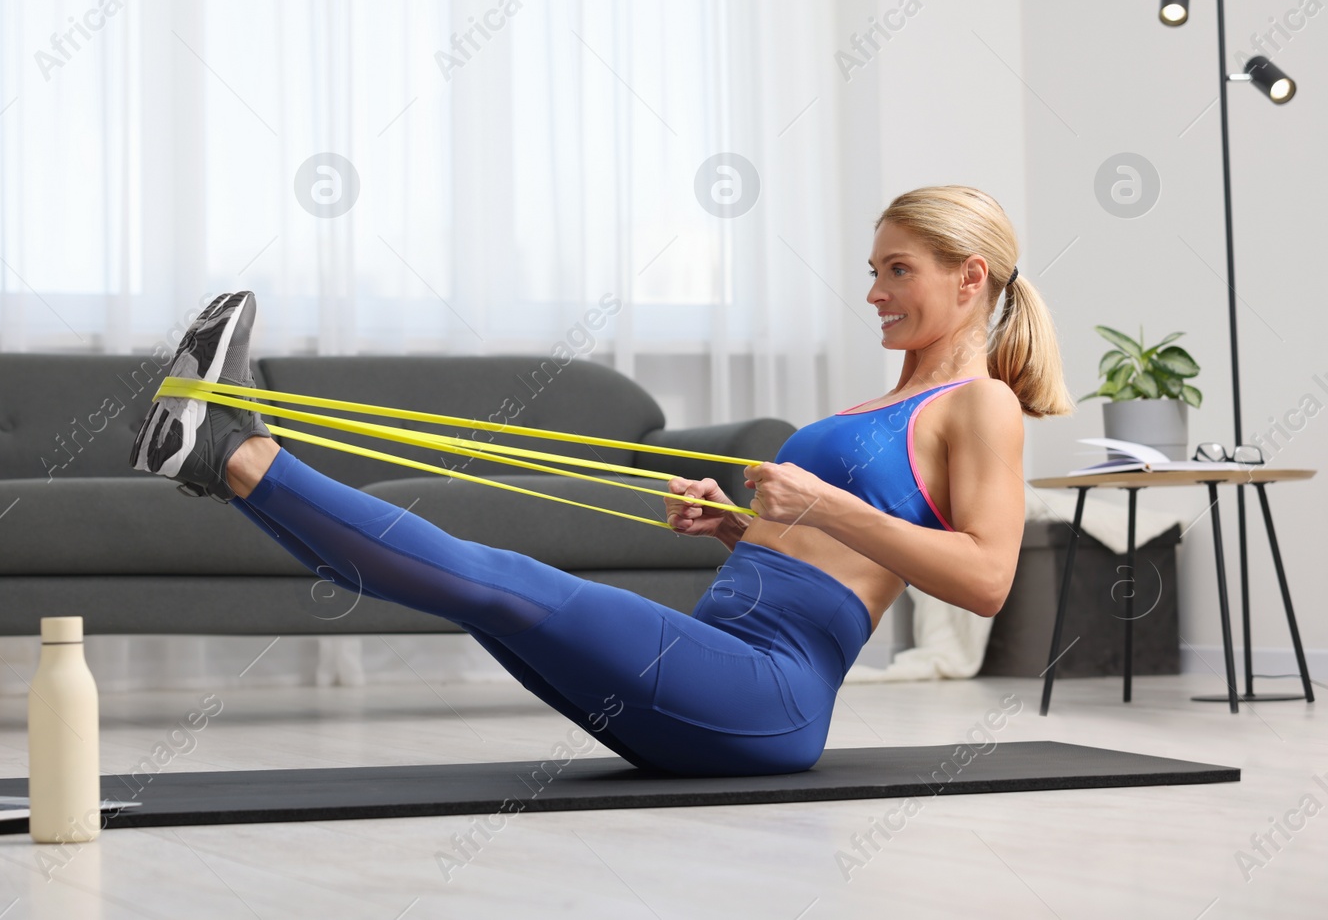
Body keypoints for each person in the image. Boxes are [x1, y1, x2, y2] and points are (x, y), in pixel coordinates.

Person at [128, 185, 1073, 777]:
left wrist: (818, 501)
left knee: (500, 577)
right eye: (872, 270)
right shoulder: (884, 401)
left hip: (767, 696)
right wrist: (737, 530)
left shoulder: (977, 404)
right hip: (723, 662)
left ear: (968, 278)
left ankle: (233, 451)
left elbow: (985, 579)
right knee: (480, 596)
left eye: (897, 270)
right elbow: (837, 550)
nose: (873, 292)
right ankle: (221, 467)